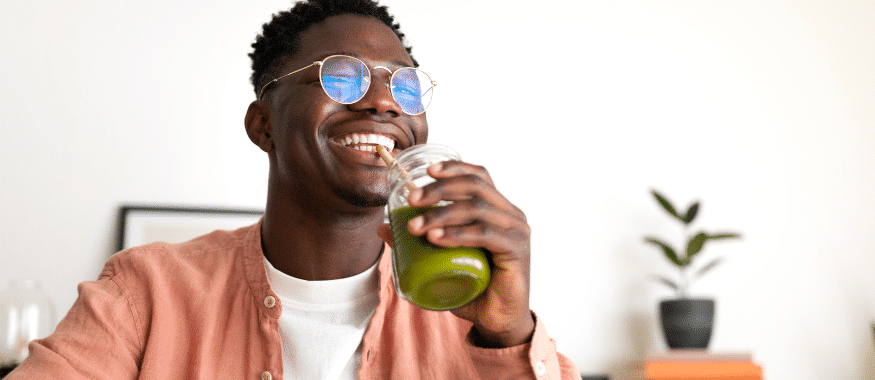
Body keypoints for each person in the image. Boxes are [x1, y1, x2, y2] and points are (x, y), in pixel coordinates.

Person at [7, 0, 580, 379]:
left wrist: (509, 336)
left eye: (405, 87)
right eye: (343, 76)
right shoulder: (145, 292)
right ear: (263, 125)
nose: (384, 102)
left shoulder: (467, 307)